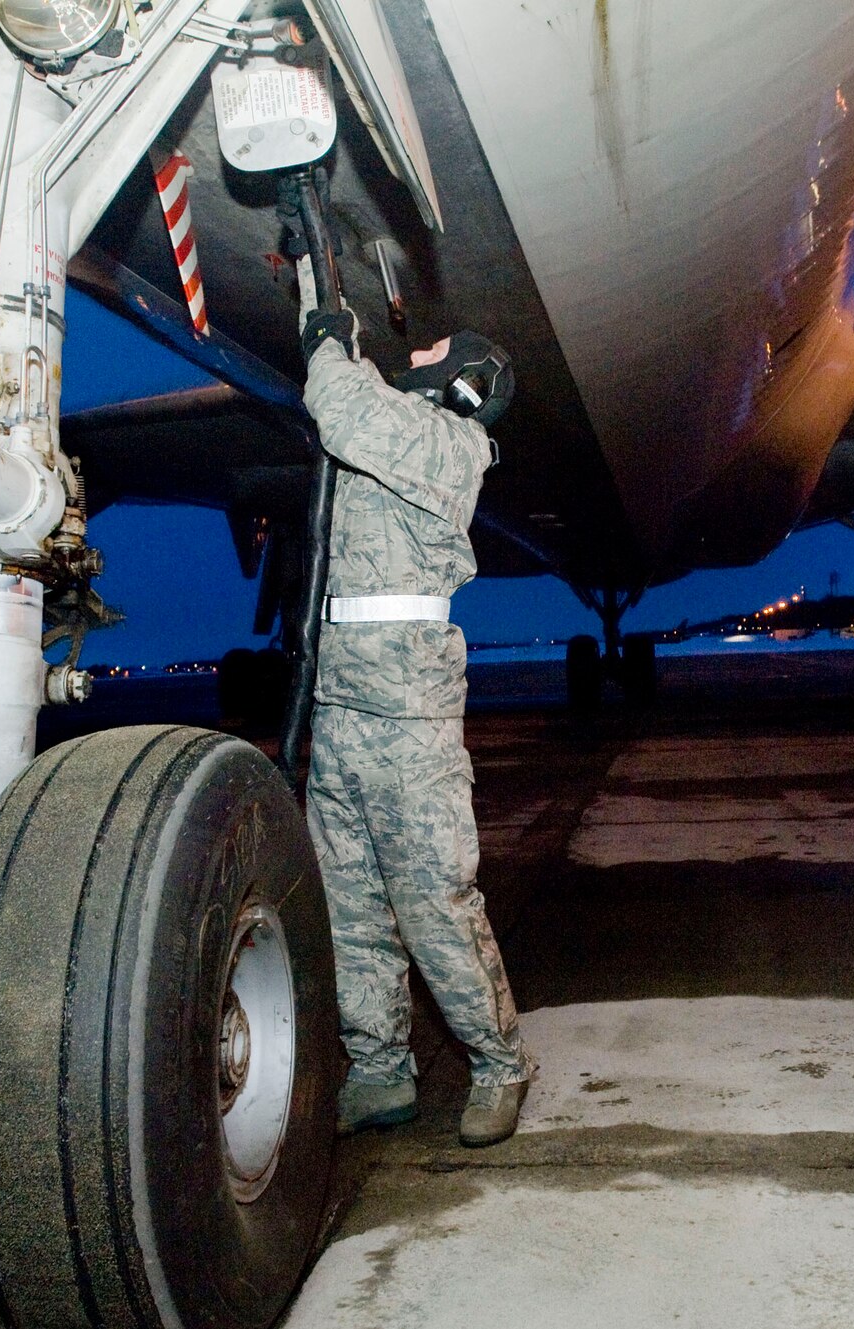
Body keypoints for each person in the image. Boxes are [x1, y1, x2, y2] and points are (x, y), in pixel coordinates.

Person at [299, 308, 535, 1147]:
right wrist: (322, 314)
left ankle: (501, 1065)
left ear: (463, 384)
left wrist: (330, 343)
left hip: (408, 717)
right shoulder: (394, 433)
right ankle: (379, 1070)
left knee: (434, 902)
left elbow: (342, 402)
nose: (418, 357)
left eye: (434, 354)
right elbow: (352, 405)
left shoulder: (447, 446)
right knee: (350, 906)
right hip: (343, 705)